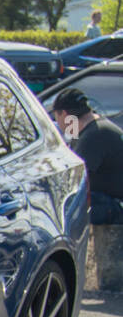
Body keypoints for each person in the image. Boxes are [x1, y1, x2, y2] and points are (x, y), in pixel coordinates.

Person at [52, 87, 123, 223]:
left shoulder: (95, 135)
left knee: (67, 207)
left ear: (65, 115)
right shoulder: (93, 128)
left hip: (115, 205)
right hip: (109, 200)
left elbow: (73, 179)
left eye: (56, 117)